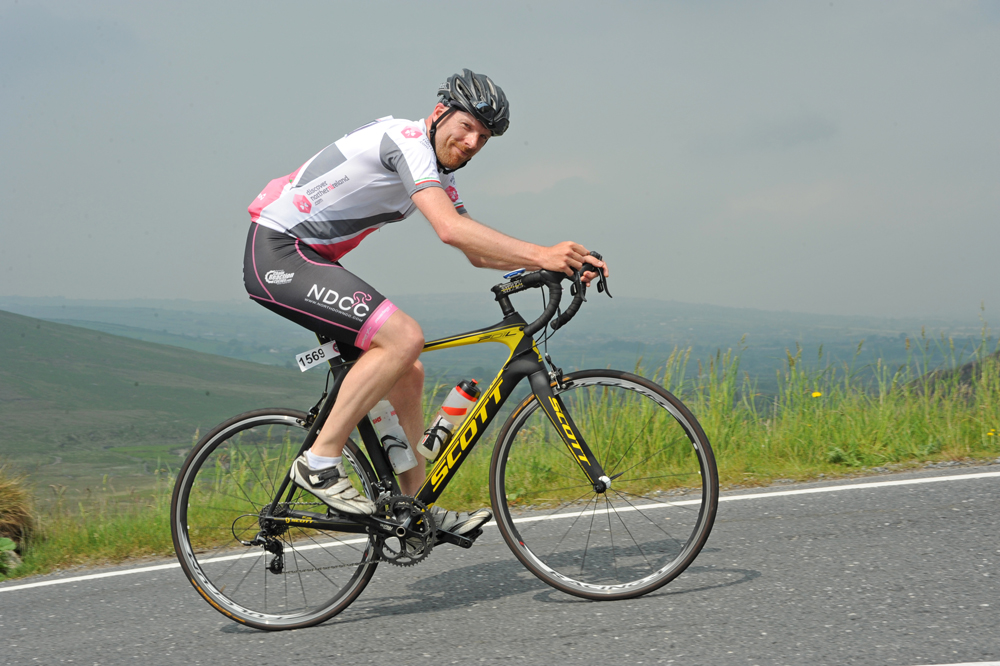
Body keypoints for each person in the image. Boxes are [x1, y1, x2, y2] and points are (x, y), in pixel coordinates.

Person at [243, 69, 607, 537]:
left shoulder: (436, 171)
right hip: (279, 252)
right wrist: (543, 253)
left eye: (484, 137)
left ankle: (412, 508)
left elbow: (477, 251)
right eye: (467, 126)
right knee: (404, 337)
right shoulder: (408, 141)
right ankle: (319, 462)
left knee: (407, 370)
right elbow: (450, 229)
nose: (473, 142)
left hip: (309, 258)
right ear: (439, 114)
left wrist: (557, 265)